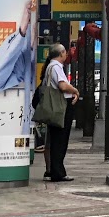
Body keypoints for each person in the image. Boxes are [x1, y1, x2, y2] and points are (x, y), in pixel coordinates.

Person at [42, 44, 79, 182]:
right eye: (64, 52)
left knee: (56, 140)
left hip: (55, 107)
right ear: (61, 53)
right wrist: (74, 90)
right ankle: (58, 172)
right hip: (60, 107)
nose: (66, 54)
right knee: (60, 140)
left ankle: (54, 170)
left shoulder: (50, 67)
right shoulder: (56, 67)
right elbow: (62, 86)